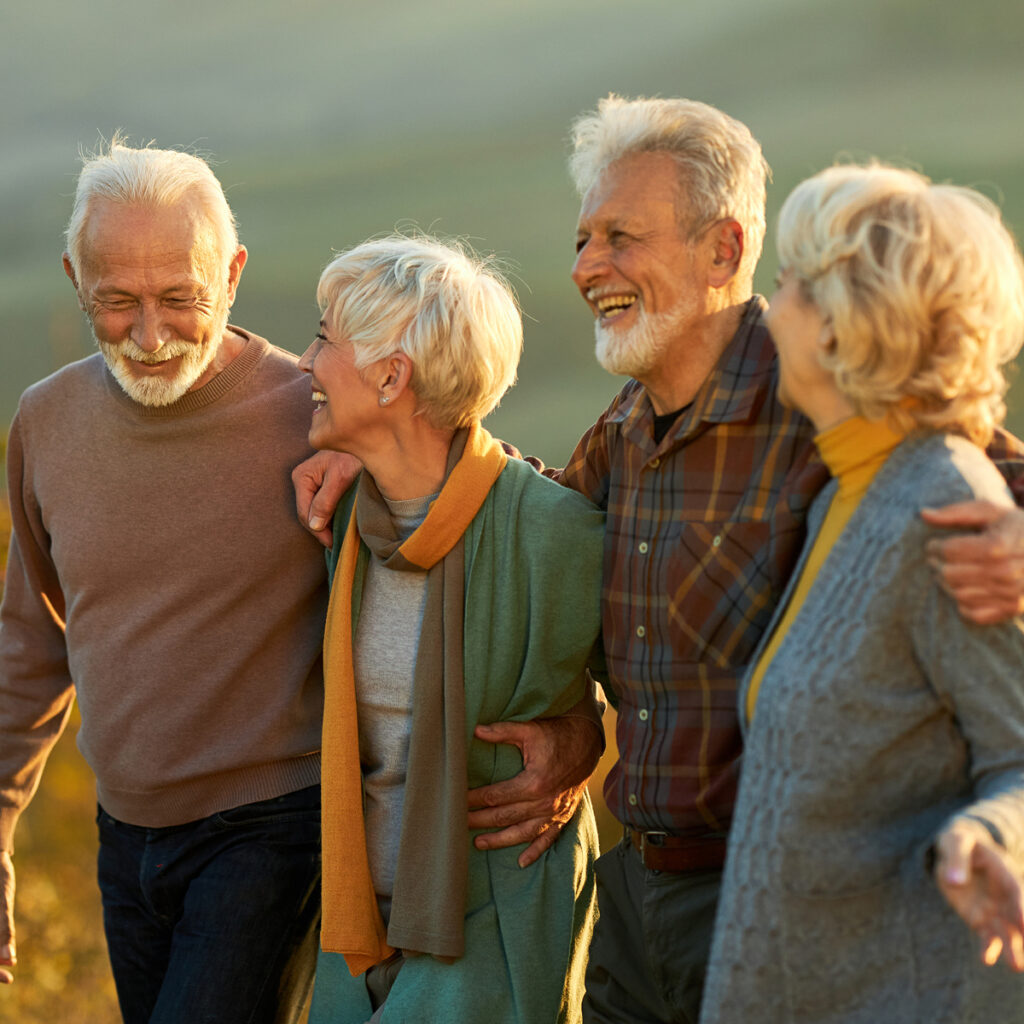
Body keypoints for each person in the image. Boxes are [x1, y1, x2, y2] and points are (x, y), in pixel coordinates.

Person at [294, 96, 1024, 1023]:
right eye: (583, 239)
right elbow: (516, 531)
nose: (587, 266)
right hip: (635, 897)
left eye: (620, 238)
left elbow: (972, 467)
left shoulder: (842, 409)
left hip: (783, 903)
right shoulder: (623, 437)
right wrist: (365, 443)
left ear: (723, 251)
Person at [0, 140, 331, 1022]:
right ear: (75, 277)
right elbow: (30, 643)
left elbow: (479, 494)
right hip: (124, 837)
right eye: (116, 303)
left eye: (181, 299)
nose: (150, 337)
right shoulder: (44, 420)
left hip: (276, 829)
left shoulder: (313, 412)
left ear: (232, 271)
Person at [700, 162, 1024, 1023]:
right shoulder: (850, 489)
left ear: (843, 329)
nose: (765, 311)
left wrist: (989, 838)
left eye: (788, 288)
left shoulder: (943, 509)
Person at [298, 236, 604, 1023]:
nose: (305, 361)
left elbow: (645, 687)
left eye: (325, 338)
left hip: (494, 920)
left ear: (392, 377)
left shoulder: (554, 532)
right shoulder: (342, 526)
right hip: (355, 925)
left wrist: (583, 734)